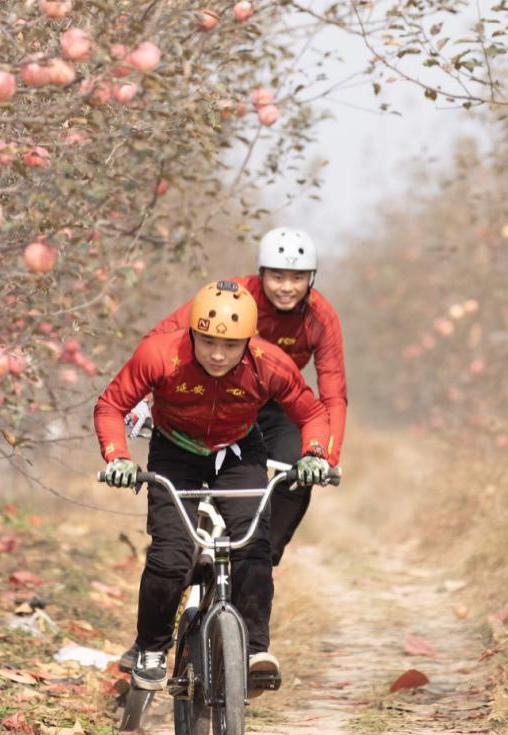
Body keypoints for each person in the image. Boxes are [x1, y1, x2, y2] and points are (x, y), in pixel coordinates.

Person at [94, 279, 332, 693]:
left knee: (252, 546)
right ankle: (151, 648)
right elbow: (110, 405)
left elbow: (312, 412)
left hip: (239, 450)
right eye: (207, 342)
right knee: (171, 556)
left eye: (231, 345)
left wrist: (313, 453)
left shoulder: (270, 363)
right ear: (191, 333)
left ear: (250, 342)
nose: (218, 355)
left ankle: (255, 650)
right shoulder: (160, 355)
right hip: (175, 451)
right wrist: (117, 458)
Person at [127, 227, 346, 565]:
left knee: (296, 472)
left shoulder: (321, 317)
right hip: (218, 398)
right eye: (277, 276)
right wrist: (140, 399)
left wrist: (325, 457)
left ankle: (258, 559)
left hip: (272, 404)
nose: (287, 287)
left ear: (311, 279)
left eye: (297, 278)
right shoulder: (230, 298)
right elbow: (160, 339)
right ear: (261, 274)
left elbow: (333, 393)